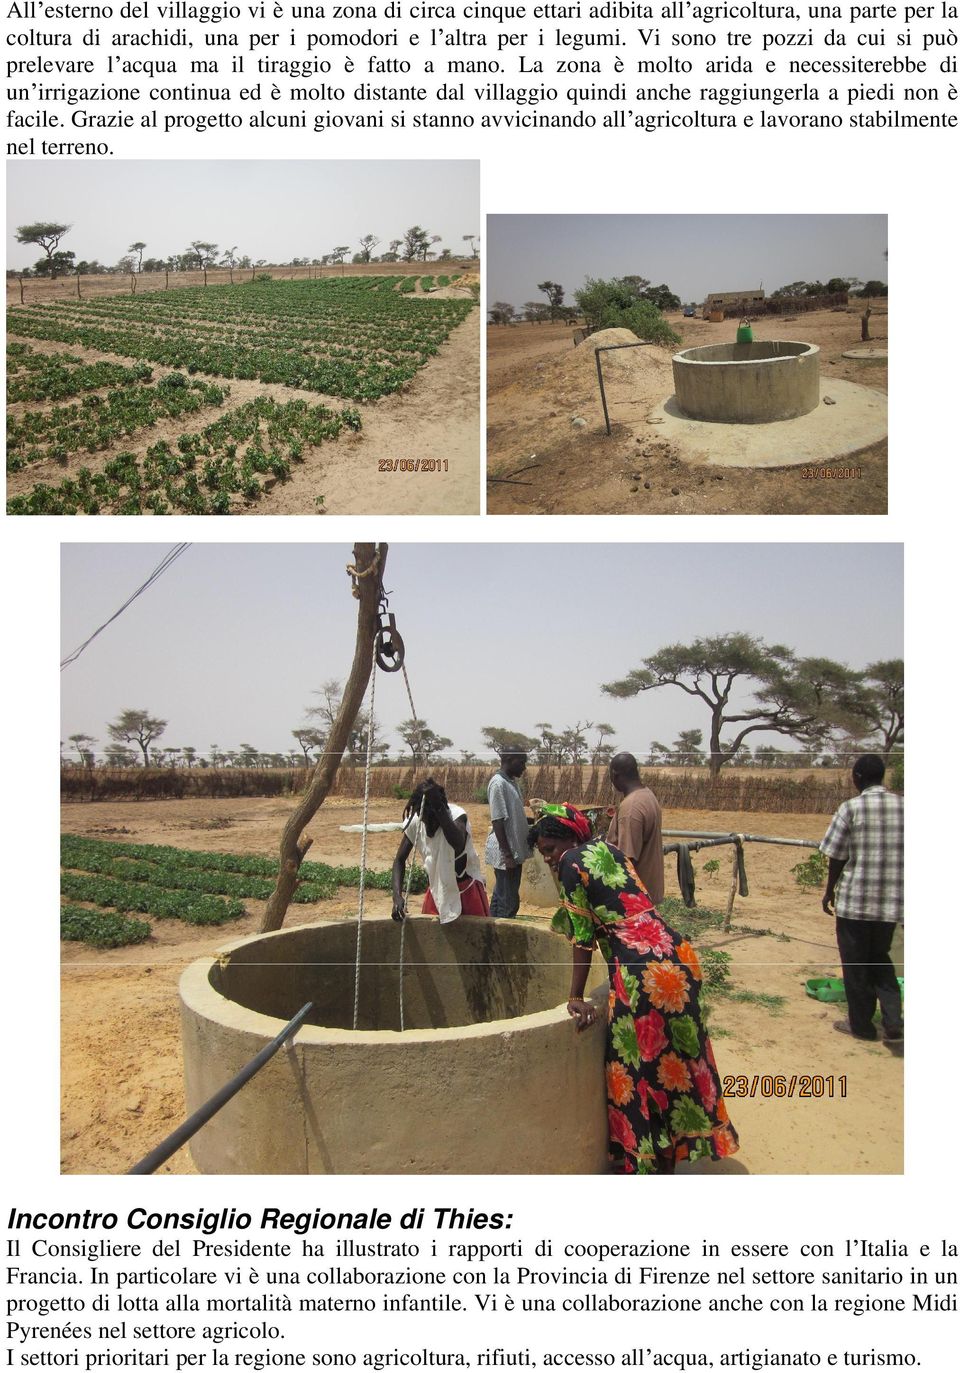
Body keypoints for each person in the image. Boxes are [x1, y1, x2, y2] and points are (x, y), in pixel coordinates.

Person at [530, 802, 739, 1175]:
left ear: (569, 838)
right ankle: (672, 1157)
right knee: (676, 1063)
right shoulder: (608, 850)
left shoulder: (571, 864)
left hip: (641, 973)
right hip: (678, 957)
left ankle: (645, 1163)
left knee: (634, 1069)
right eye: (544, 852)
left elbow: (582, 940)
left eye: (549, 849)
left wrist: (576, 997)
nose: (548, 859)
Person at [820, 754, 903, 1044]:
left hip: (855, 902)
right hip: (892, 903)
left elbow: (836, 855)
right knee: (880, 958)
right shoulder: (905, 807)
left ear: (857, 777)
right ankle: (893, 1021)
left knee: (855, 965)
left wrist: (829, 891)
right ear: (883, 777)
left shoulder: (851, 808)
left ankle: (862, 1026)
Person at [391, 779, 489, 923]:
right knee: (432, 940)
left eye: (433, 820)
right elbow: (399, 860)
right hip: (437, 891)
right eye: (424, 819)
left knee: (474, 939)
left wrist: (439, 809)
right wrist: (397, 896)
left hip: (466, 892)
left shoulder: (456, 816)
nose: (428, 825)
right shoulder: (416, 822)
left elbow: (458, 844)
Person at [607, 751, 665, 904]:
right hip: (649, 892)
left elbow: (627, 859)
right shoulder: (647, 796)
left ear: (615, 775)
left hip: (635, 898)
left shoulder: (631, 808)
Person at [484, 745, 533, 918]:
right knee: (509, 902)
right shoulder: (498, 784)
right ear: (509, 760)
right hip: (506, 851)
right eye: (521, 762)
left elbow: (513, 816)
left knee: (501, 895)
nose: (524, 767)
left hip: (513, 850)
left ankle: (492, 930)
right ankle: (503, 937)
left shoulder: (511, 782)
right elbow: (497, 820)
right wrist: (507, 855)